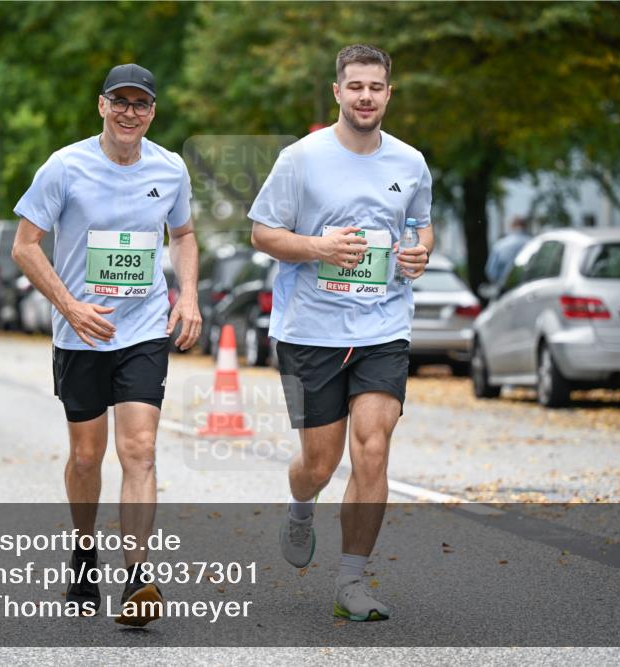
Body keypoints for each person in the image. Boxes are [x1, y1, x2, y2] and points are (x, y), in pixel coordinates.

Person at [249, 44, 433, 622]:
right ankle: (301, 502)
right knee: (320, 464)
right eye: (355, 86)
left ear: (388, 93)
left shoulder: (410, 163)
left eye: (376, 87)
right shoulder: (301, 159)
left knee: (373, 450)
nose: (365, 97)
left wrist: (419, 255)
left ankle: (352, 582)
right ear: (337, 92)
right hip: (312, 329)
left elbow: (424, 231)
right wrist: (318, 247)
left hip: (383, 325)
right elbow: (262, 233)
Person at [12, 63, 199, 626]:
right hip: (80, 334)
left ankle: (138, 576)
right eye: (119, 102)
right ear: (101, 106)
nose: (129, 113)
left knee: (139, 450)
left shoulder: (170, 169)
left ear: (152, 113)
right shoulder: (64, 167)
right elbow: (25, 246)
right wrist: (69, 305)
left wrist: (187, 296)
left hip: (143, 329)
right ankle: (84, 550)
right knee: (87, 456)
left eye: (140, 104)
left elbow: (184, 234)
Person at [485, 217, 531, 284]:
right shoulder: (533, 242)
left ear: (511, 226)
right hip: (529, 287)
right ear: (525, 226)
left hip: (505, 289)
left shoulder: (499, 245)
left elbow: (491, 271)